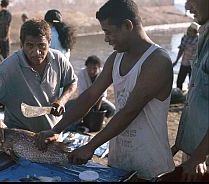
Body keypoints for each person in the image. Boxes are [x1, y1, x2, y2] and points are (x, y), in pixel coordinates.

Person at [35, 0, 175, 180]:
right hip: (119, 161)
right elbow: (91, 95)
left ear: (127, 25)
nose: (106, 39)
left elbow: (129, 111)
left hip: (151, 167)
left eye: (108, 32)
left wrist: (90, 146)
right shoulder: (115, 59)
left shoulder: (157, 61)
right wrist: (57, 129)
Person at [0, 19, 77, 147]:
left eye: (41, 46)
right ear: (22, 44)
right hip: (20, 142)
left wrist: (62, 100)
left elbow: (72, 82)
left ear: (49, 43)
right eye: (30, 45)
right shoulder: (10, 66)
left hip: (52, 137)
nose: (36, 52)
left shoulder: (58, 59)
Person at [171, 0, 209, 181]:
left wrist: (199, 156)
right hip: (195, 152)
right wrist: (180, 145)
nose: (186, 7)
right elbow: (197, 98)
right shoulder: (204, 34)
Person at [173, 22, 199, 91]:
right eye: (188, 30)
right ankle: (179, 95)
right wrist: (176, 61)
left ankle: (190, 97)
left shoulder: (198, 40)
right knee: (179, 81)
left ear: (195, 32)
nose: (188, 32)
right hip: (184, 63)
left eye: (190, 31)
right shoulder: (185, 38)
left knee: (192, 83)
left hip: (193, 65)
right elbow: (181, 50)